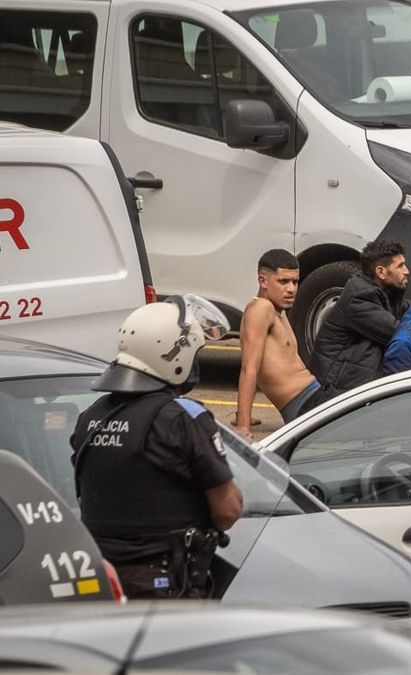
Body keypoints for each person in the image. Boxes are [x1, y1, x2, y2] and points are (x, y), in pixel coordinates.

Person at [71, 295, 243, 599]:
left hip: (101, 583)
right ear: (173, 356)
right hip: (165, 588)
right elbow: (227, 509)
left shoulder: (90, 417)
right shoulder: (183, 418)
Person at [237, 249, 330, 434]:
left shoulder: (278, 309)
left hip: (315, 395)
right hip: (305, 404)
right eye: (283, 281)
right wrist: (243, 426)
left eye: (295, 282)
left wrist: (242, 412)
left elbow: (265, 361)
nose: (291, 289)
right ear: (263, 281)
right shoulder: (260, 309)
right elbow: (250, 367)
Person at [311, 239, 410, 396]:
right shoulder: (359, 297)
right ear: (381, 272)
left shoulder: (389, 293)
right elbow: (398, 332)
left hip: (351, 378)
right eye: (400, 266)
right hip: (335, 387)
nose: (406, 271)